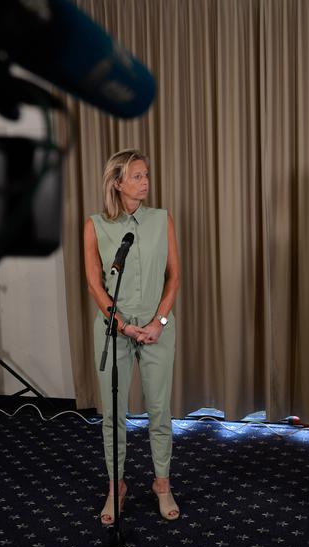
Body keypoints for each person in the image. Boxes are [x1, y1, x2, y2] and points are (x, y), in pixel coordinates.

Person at [83, 149, 181, 525]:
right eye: (137, 176)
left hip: (158, 330)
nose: (146, 182)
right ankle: (115, 487)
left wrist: (159, 321)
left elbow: (174, 276)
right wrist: (122, 324)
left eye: (146, 175)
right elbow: (95, 285)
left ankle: (162, 483)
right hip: (113, 331)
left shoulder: (162, 219)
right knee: (113, 415)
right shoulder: (94, 225)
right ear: (118, 183)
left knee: (160, 411)